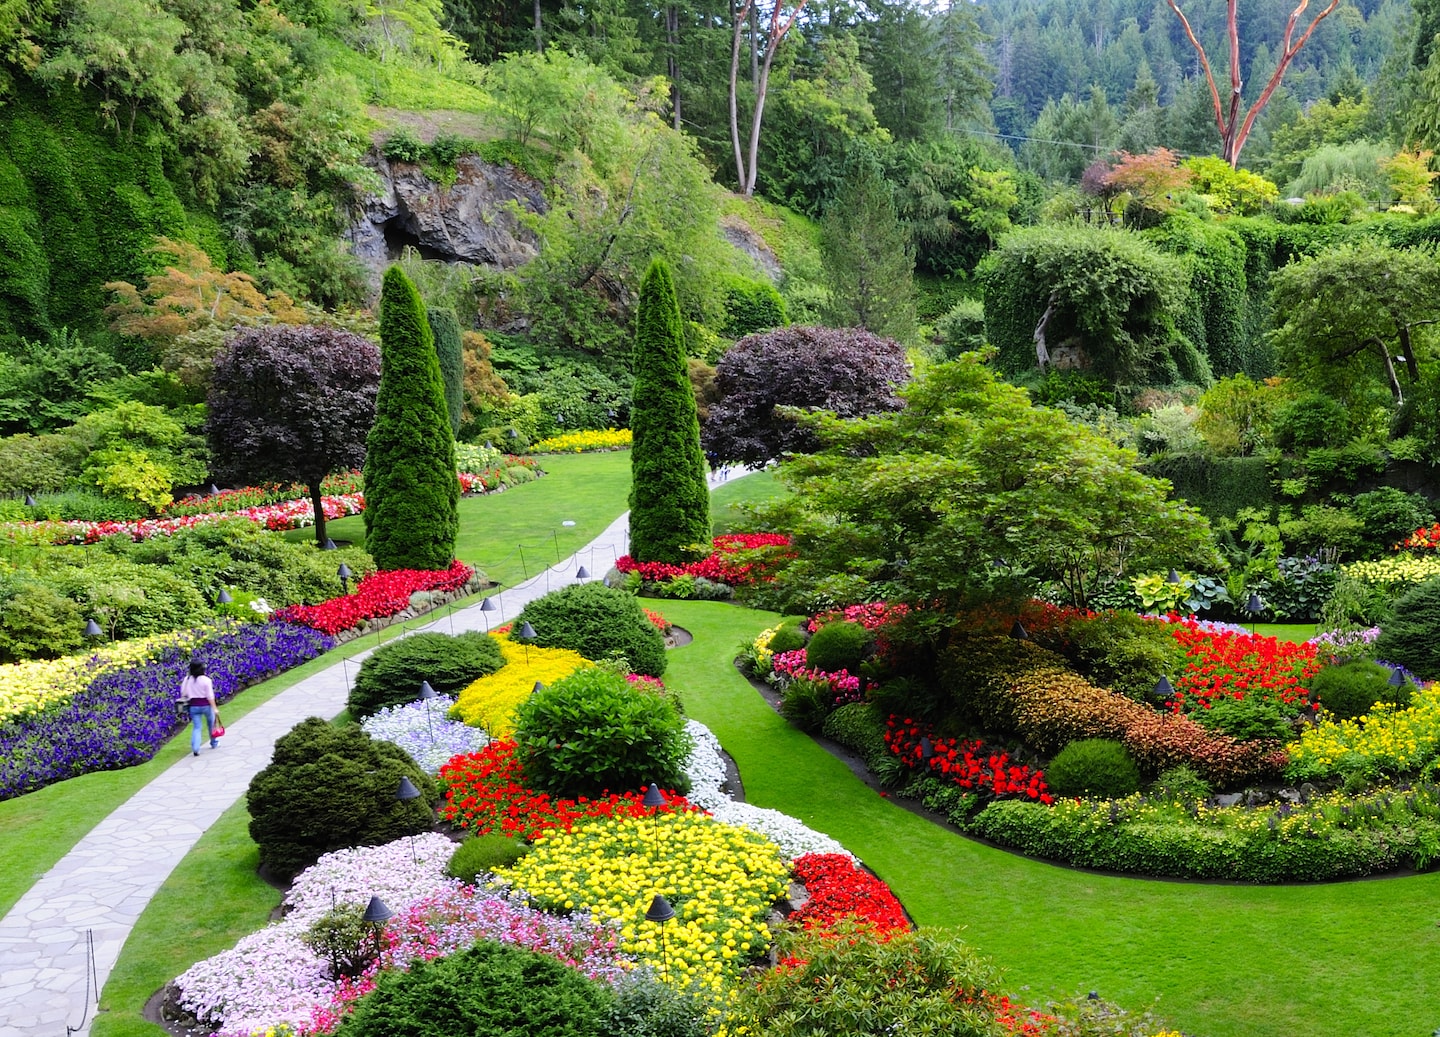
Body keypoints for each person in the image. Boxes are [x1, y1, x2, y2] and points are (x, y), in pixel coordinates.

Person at [178, 660, 218, 756]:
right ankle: (213, 742)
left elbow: (183, 693)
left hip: (193, 706)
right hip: (206, 705)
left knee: (197, 727)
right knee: (211, 724)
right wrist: (215, 708)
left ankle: (196, 748)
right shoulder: (206, 680)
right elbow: (210, 696)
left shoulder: (187, 679)